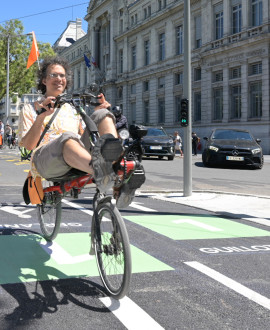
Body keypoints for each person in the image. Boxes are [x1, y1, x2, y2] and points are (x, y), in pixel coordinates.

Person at [18, 56, 143, 208]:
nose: (59, 78)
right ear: (44, 80)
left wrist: (101, 112)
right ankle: (105, 172)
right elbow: (29, 146)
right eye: (53, 75)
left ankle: (119, 168)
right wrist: (41, 116)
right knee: (68, 137)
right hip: (45, 161)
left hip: (76, 159)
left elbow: (88, 137)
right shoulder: (30, 108)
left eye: (62, 75)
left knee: (102, 115)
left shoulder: (72, 108)